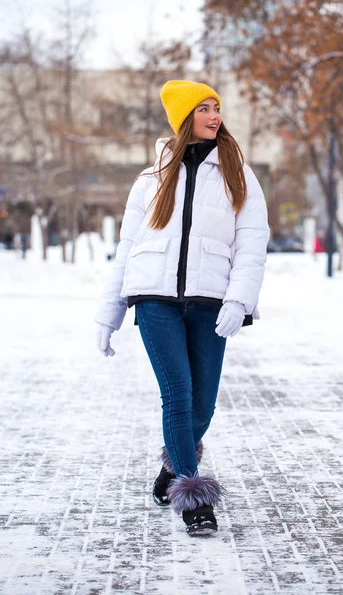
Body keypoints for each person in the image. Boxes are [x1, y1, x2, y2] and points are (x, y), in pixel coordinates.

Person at [95, 80, 270, 536]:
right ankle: (194, 499)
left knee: (203, 403)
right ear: (183, 117)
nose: (214, 115)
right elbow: (127, 247)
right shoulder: (151, 179)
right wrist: (108, 313)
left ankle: (173, 466)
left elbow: (253, 244)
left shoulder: (239, 174)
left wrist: (239, 299)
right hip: (154, 299)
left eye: (216, 107)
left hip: (211, 301)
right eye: (203, 108)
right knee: (177, 393)